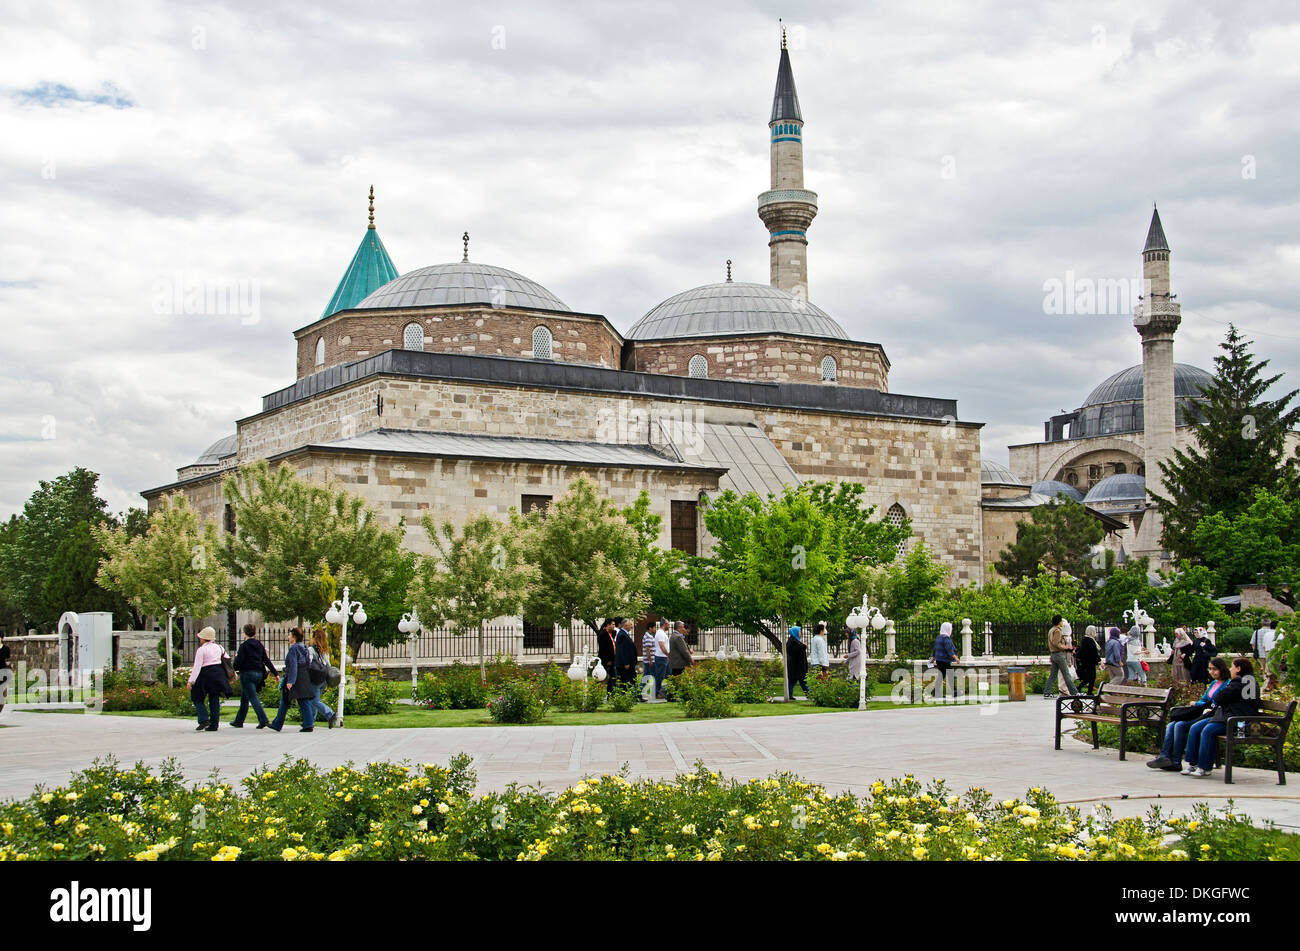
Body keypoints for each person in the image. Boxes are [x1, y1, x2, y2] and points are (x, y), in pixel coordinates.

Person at [1146, 656, 1231, 771]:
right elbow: (1204, 699)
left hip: (1209, 715)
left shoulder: (1227, 684)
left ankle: (1176, 761)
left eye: (1215, 669)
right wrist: (1198, 703)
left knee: (1180, 725)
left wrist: (1198, 704)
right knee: (1172, 724)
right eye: (1210, 669)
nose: (1212, 672)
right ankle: (1165, 756)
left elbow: (1215, 702)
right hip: (1201, 711)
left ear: (1222, 669)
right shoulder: (1213, 684)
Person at [1181, 657, 1259, 777]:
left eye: (1232, 667)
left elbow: (1220, 697)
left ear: (1238, 669)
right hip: (1229, 718)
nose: (1230, 669)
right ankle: (1193, 764)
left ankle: (1204, 767)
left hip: (1240, 724)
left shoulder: (1242, 682)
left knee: (1208, 730)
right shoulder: (1246, 681)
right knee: (1196, 727)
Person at [231, 623, 278, 729]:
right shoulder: (259, 645)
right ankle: (239, 721)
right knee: (245, 697)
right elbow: (266, 660)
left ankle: (263, 719)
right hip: (259, 674)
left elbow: (238, 662)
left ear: (245, 633)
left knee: (253, 698)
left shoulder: (244, 646)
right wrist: (275, 673)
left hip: (247, 674)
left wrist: (235, 663)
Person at [269, 628, 316, 732]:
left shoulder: (293, 649)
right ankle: (308, 723)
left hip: (293, 676)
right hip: (303, 675)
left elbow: (293, 665)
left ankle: (277, 724)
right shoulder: (304, 647)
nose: (288, 637)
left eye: (290, 635)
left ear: (294, 637)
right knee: (303, 700)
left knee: (285, 700)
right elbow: (308, 662)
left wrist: (291, 681)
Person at [187, 627, 232, 732]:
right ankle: (214, 724)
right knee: (214, 699)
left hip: (205, 674)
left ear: (203, 638)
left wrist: (191, 681)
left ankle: (203, 719)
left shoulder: (201, 649)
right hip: (218, 674)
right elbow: (227, 659)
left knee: (197, 697)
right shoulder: (219, 647)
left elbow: (197, 667)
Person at [308, 627, 338, 729]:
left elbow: (309, 663)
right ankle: (310, 722)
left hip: (315, 679)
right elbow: (328, 665)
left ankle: (330, 714)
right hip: (323, 679)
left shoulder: (311, 650)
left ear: (314, 638)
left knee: (314, 701)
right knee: (315, 700)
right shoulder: (325, 651)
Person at [1045, 615, 1079, 698]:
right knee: (1066, 674)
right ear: (1058, 622)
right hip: (1059, 654)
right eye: (1061, 621)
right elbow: (1056, 643)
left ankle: (1047, 692)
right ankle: (1074, 692)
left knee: (1053, 675)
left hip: (1053, 654)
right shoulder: (1058, 631)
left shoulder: (1051, 630)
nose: (1062, 623)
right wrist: (1065, 647)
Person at [930, 622, 958, 698]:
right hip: (944, 660)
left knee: (943, 675)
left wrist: (933, 658)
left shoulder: (938, 637)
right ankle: (952, 692)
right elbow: (949, 649)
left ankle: (937, 692)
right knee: (947, 675)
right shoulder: (946, 638)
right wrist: (955, 657)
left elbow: (935, 649)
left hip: (939, 660)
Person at [613, 618, 638, 696]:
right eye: (630, 625)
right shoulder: (622, 635)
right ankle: (631, 694)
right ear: (626, 625)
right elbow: (622, 650)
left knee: (631, 679)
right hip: (626, 663)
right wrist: (626, 662)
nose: (631, 626)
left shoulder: (624, 634)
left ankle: (633, 694)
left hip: (629, 662)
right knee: (627, 679)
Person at [1074, 625, 1101, 695]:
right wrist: (1099, 660)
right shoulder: (1090, 640)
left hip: (1086, 661)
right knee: (1092, 677)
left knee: (1088, 677)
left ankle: (1080, 687)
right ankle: (1088, 691)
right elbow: (1093, 652)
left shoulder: (1085, 639)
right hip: (1090, 662)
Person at [786, 625, 809, 699]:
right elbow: (795, 651)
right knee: (803, 681)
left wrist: (803, 646)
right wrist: (804, 646)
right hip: (796, 666)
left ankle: (789, 695)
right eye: (799, 631)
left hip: (797, 666)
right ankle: (810, 695)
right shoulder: (792, 641)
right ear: (795, 632)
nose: (800, 633)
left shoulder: (795, 640)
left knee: (793, 681)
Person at [651, 620, 671, 699]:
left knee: (669, 675)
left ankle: (666, 691)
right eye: (668, 625)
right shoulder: (660, 633)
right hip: (661, 657)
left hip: (664, 657)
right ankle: (657, 692)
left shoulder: (662, 633)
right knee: (660, 676)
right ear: (665, 624)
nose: (669, 626)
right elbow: (662, 646)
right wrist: (668, 654)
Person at [598, 619, 618, 696]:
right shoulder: (603, 635)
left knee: (613, 677)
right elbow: (604, 649)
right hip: (606, 660)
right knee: (603, 677)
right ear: (608, 625)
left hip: (612, 659)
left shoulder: (611, 633)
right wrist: (608, 660)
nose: (614, 626)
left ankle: (611, 693)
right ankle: (600, 693)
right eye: (612, 624)